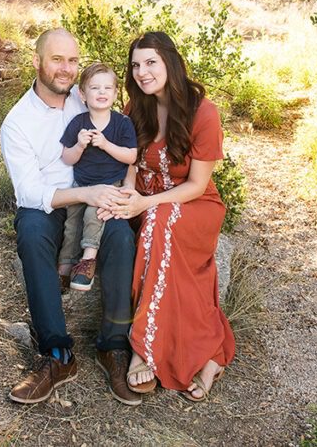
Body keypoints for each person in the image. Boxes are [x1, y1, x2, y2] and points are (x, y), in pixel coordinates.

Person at [0, 29, 141, 406]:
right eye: (56, 59)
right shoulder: (18, 122)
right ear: (37, 61)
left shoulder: (87, 101)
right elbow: (29, 193)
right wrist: (84, 194)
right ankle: (58, 354)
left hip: (96, 198)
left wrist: (123, 191)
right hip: (52, 205)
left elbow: (127, 150)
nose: (65, 69)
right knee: (30, 231)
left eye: (72, 61)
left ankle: (112, 347)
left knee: (122, 237)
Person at [107, 31, 236, 402]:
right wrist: (128, 192)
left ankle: (142, 349)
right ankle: (210, 354)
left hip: (193, 205)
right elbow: (129, 161)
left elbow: (197, 184)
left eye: (151, 62)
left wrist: (146, 205)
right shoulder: (136, 107)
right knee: (137, 224)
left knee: (157, 225)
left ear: (170, 63)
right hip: (146, 202)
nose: (142, 72)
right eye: (136, 65)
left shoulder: (202, 112)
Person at [58, 62, 137, 292]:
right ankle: (64, 268)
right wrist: (80, 146)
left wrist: (105, 144)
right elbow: (67, 158)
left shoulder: (122, 123)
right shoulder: (78, 124)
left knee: (94, 215)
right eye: (94, 88)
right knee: (71, 224)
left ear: (115, 93)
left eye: (107, 88)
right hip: (81, 185)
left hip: (110, 183)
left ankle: (88, 261)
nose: (101, 92)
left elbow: (131, 156)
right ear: (82, 94)